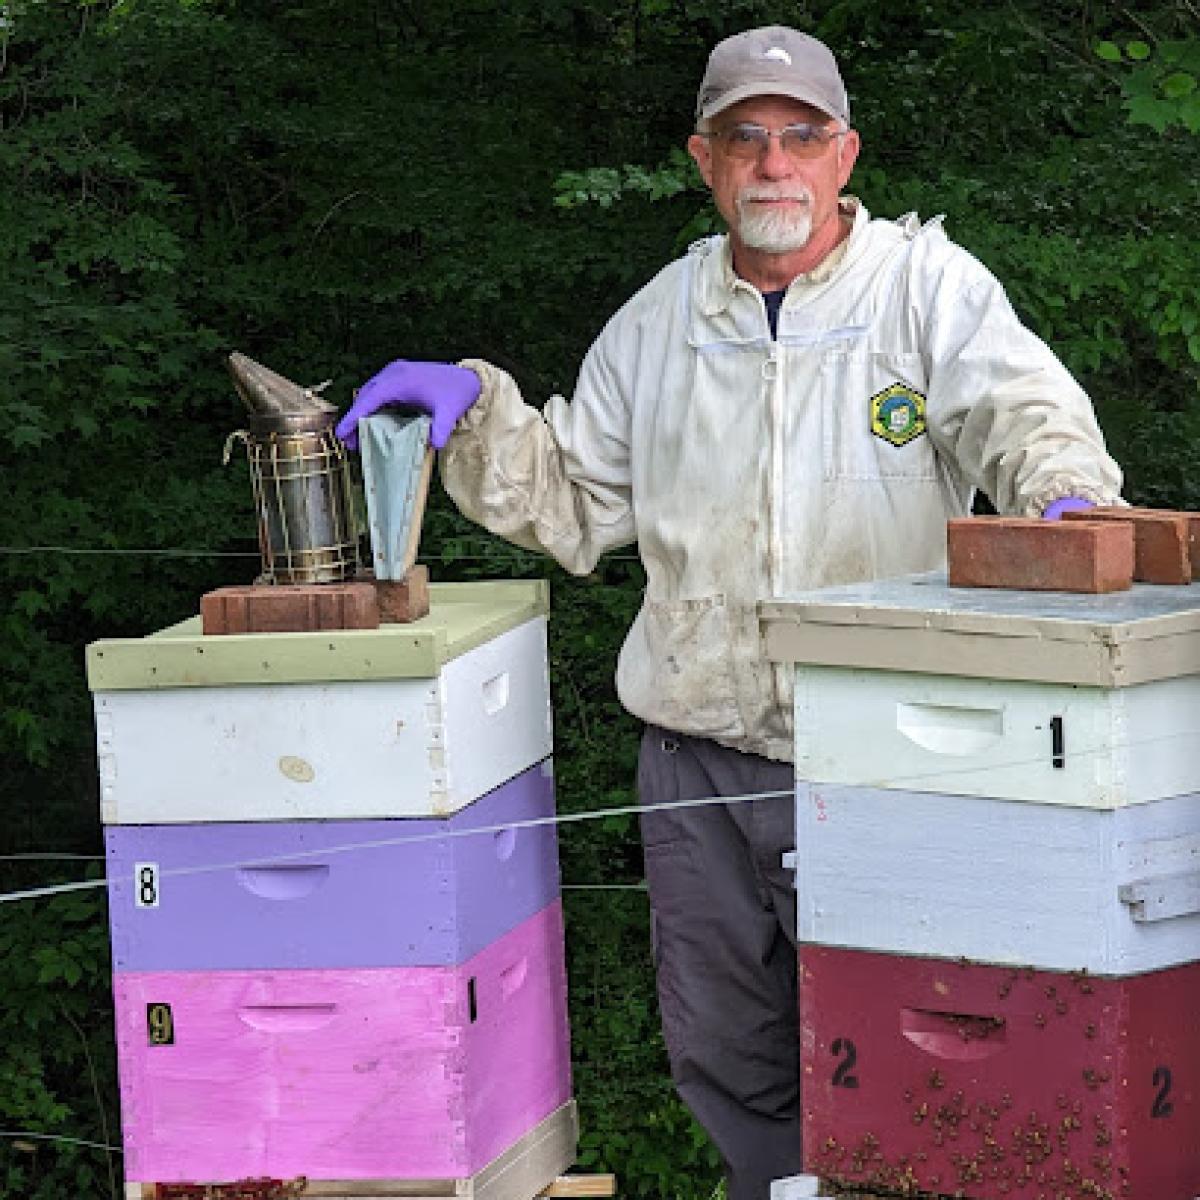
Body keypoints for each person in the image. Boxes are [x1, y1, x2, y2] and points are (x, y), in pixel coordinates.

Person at [336, 26, 1122, 1200]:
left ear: (844, 153)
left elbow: (1021, 413)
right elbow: (577, 502)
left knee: (917, 1033)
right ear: (703, 158)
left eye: (801, 136)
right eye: (747, 137)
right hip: (696, 757)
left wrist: (1064, 500)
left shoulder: (924, 289)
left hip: (884, 755)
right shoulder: (657, 323)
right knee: (723, 1047)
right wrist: (480, 411)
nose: (774, 163)